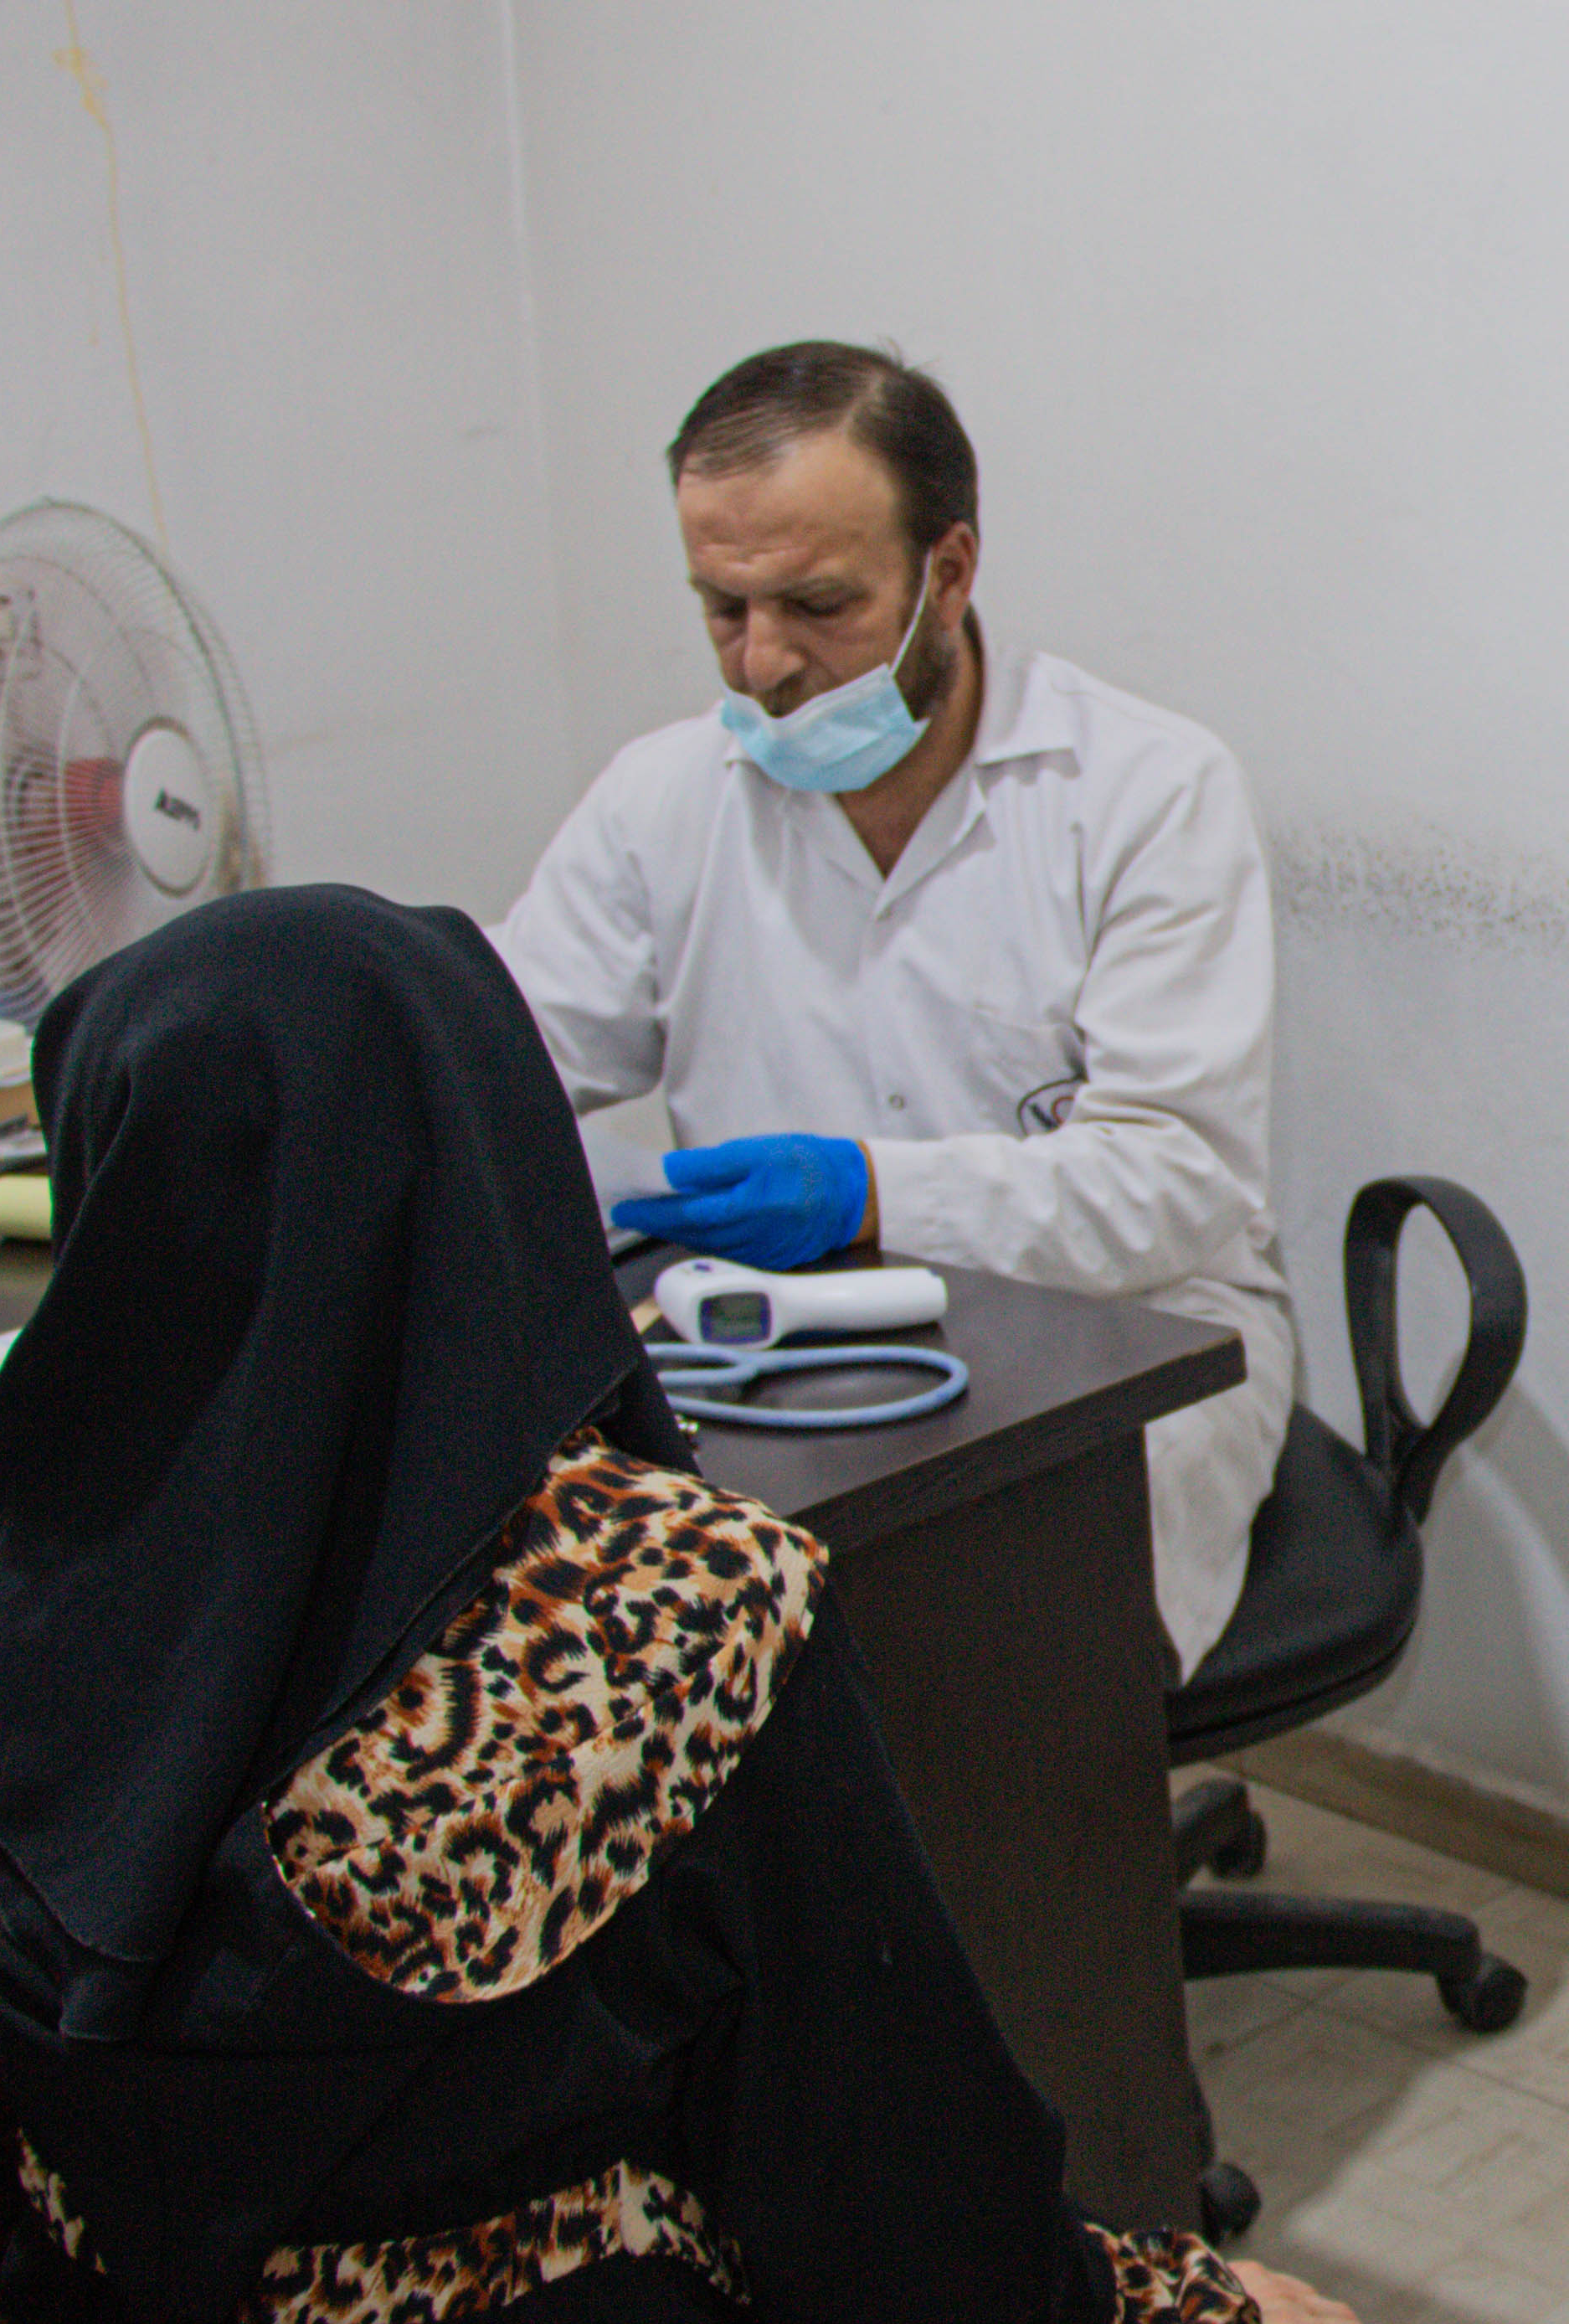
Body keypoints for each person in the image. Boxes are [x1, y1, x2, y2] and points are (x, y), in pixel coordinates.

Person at [0, 885, 1561, 2324]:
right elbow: (940, 2315)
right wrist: (1201, 2314)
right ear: (488, 1154)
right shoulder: (661, 1623)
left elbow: (1175, 1175)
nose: (764, 650)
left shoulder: (71, 1576)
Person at [493, 341, 1294, 1678]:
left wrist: (865, 1192)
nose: (763, 664)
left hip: (1127, 1339)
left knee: (969, 1658)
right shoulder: (664, 798)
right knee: (609, 1631)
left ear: (951, 569)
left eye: (817, 603)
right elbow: (503, 1064)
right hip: (776, 1336)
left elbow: (1177, 1185)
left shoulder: (1145, 791)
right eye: (721, 607)